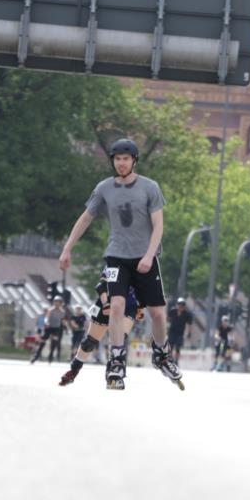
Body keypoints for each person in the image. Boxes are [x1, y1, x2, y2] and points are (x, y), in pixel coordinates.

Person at [59, 137, 183, 390]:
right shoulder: (104, 188)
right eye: (117, 159)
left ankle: (162, 355)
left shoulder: (150, 187)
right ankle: (116, 362)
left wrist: (149, 256)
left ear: (134, 161)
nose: (121, 163)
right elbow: (85, 218)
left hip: (145, 257)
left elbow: (158, 225)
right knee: (116, 306)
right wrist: (67, 248)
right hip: (116, 256)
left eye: (126, 159)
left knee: (158, 313)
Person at [59, 276, 142, 386]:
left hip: (128, 306)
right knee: (90, 342)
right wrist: (105, 304)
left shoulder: (144, 268)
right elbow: (101, 286)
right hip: (106, 302)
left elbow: (144, 291)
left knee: (120, 340)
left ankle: (112, 373)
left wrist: (141, 307)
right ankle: (74, 370)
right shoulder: (117, 263)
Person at [167, 296, 193, 362]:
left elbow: (189, 324)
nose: (181, 306)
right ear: (177, 305)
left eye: (182, 305)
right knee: (170, 346)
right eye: (179, 304)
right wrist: (166, 329)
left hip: (180, 333)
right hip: (172, 331)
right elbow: (167, 319)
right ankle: (169, 359)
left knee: (178, 347)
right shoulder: (172, 311)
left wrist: (189, 333)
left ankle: (176, 361)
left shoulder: (187, 314)